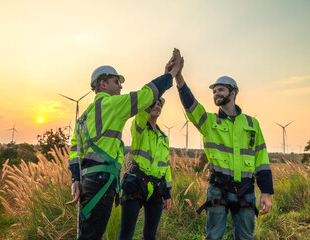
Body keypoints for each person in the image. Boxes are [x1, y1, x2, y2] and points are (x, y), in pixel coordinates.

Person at [66, 49, 182, 240]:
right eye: (116, 81)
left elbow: (74, 151)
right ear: (103, 84)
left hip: (88, 181)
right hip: (101, 182)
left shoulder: (84, 115)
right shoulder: (111, 105)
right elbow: (146, 95)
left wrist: (76, 178)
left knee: (88, 234)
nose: (120, 87)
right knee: (92, 235)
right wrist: (170, 74)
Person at [175, 57, 274, 239]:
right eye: (214, 91)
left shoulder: (252, 123)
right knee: (213, 236)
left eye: (220, 90)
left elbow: (262, 159)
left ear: (233, 92)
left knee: (245, 237)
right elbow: (190, 105)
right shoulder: (209, 121)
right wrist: (179, 77)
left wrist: (266, 192)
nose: (216, 94)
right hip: (218, 188)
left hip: (246, 190)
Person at [117, 97, 172, 240]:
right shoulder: (139, 128)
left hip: (157, 187)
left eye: (159, 104)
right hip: (135, 184)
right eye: (153, 103)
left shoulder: (164, 138)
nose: (157, 106)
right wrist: (155, 94)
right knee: (126, 234)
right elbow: (141, 116)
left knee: (150, 235)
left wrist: (167, 193)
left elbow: (165, 165)